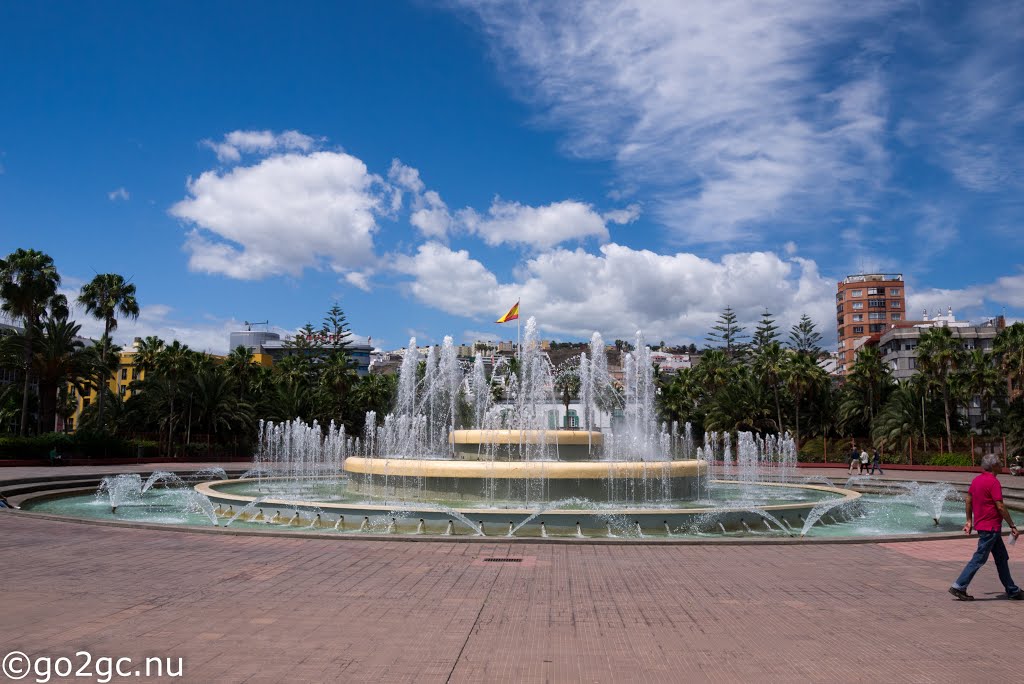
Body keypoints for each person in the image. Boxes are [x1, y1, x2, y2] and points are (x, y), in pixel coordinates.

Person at [949, 454, 1021, 601]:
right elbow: (1000, 506)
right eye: (1000, 463)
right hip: (991, 528)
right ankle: (959, 586)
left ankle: (1012, 590)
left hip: (984, 527)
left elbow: (968, 500)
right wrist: (1012, 525)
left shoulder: (977, 480)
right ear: (993, 466)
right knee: (979, 558)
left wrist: (969, 521)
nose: (1002, 465)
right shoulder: (993, 482)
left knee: (1001, 558)